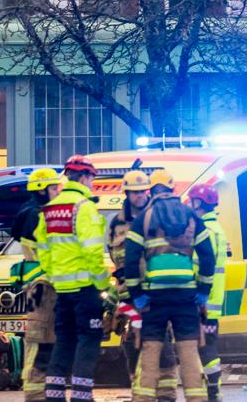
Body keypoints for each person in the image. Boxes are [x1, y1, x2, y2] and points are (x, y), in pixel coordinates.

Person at [121, 172, 216, 402]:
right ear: (173, 189)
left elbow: (131, 259)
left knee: (151, 350)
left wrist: (137, 294)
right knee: (189, 351)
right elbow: (208, 257)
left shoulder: (143, 218)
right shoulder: (192, 216)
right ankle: (197, 398)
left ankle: (143, 398)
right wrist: (202, 291)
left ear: (151, 190)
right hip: (186, 295)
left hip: (154, 297)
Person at [35, 156, 107, 402]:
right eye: (92, 179)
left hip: (61, 289)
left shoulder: (49, 209)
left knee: (64, 340)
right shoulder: (83, 207)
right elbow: (93, 252)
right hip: (86, 289)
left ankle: (54, 396)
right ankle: (81, 396)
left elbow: (42, 250)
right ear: (85, 178)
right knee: (88, 340)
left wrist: (55, 276)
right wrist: (103, 285)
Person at [109, 170, 176, 402]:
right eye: (134, 193)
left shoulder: (157, 216)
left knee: (162, 339)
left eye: (142, 192)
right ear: (126, 193)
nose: (139, 196)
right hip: (129, 292)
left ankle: (166, 392)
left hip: (155, 290)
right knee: (131, 341)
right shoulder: (117, 222)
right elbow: (114, 253)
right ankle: (140, 387)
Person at [13, 168, 60, 402]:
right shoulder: (35, 214)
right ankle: (34, 388)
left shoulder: (28, 211)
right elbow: (40, 252)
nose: (58, 191)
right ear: (41, 190)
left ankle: (37, 386)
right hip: (40, 284)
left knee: (40, 337)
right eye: (53, 187)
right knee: (38, 337)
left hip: (36, 284)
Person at [187, 184, 228, 402]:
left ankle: (213, 392)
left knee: (206, 349)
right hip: (212, 302)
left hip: (203, 302)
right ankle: (213, 390)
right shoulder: (216, 228)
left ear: (200, 204)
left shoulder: (207, 231)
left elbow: (204, 264)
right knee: (207, 347)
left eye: (193, 201)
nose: (191, 205)